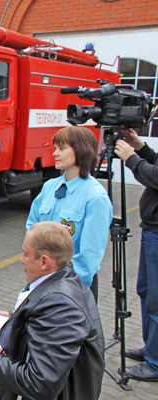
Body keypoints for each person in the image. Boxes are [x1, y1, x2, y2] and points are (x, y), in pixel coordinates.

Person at [0, 221, 105, 400]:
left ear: (44, 262)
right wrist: (8, 317)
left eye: (26, 254)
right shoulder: (65, 281)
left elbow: (39, 385)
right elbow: (41, 321)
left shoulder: (60, 306)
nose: (21, 259)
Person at [26, 126, 112, 302]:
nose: (55, 153)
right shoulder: (50, 186)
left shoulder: (96, 197)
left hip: (73, 285)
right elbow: (32, 227)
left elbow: (89, 256)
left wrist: (63, 288)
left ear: (81, 150)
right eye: (55, 148)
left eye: (62, 148)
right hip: (41, 278)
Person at [115, 128, 158, 382]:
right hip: (151, 231)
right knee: (145, 291)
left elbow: (154, 175)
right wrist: (140, 148)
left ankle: (154, 363)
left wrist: (131, 158)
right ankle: (151, 348)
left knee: (156, 300)